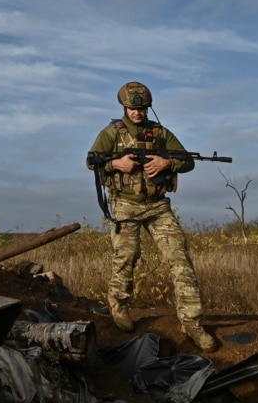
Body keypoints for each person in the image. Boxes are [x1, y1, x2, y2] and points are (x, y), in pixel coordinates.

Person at [87, 81, 217, 352]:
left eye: (142, 108)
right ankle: (119, 305)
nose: (137, 112)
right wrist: (116, 164)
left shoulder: (160, 133)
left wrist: (167, 162)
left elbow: (188, 160)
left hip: (158, 206)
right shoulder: (112, 132)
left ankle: (191, 321)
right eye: (132, 108)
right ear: (124, 106)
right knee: (127, 256)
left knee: (179, 258)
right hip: (125, 205)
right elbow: (92, 160)